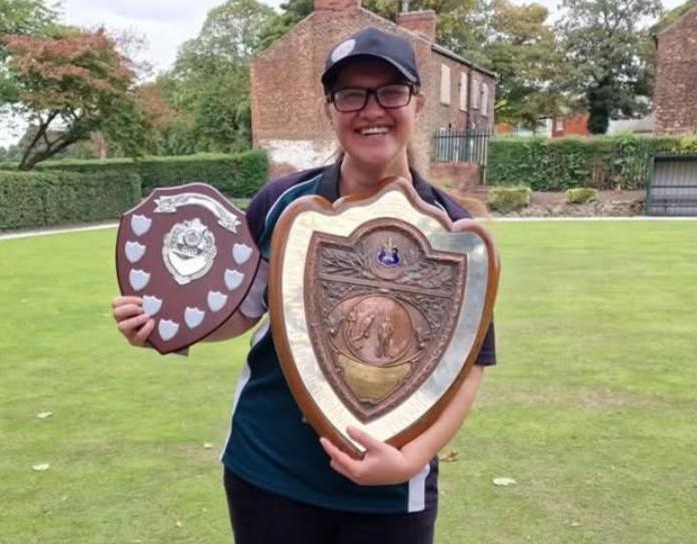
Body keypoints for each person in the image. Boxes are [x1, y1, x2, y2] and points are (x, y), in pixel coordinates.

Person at [111, 26, 497, 544]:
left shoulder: (453, 233)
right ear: (329, 109)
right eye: (351, 95)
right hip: (268, 469)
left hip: (390, 487)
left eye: (390, 91)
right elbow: (245, 310)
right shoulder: (281, 202)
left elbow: (469, 368)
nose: (371, 109)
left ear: (417, 103)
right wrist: (170, 327)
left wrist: (409, 459)